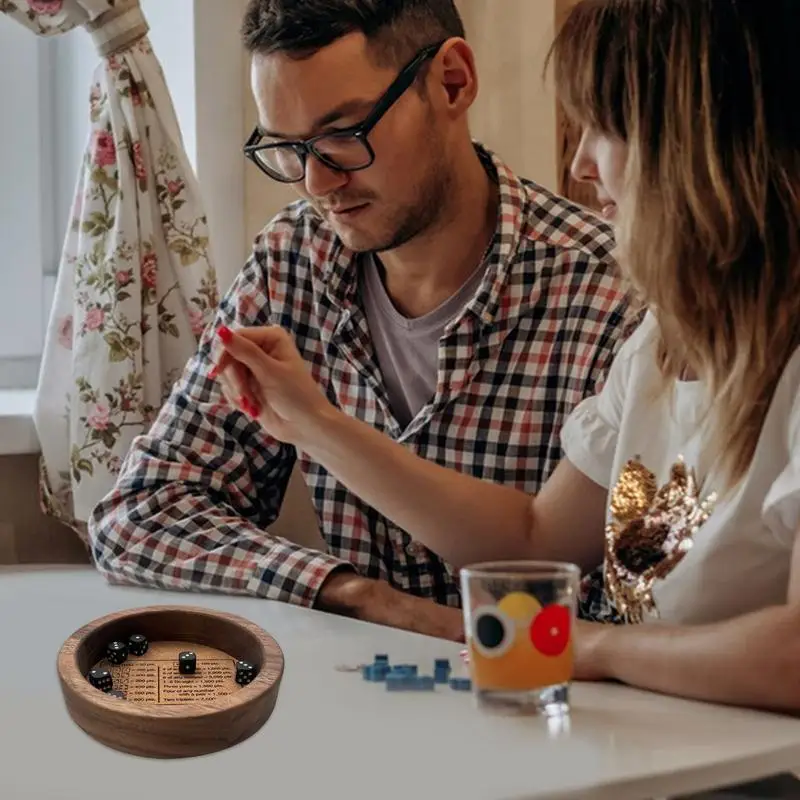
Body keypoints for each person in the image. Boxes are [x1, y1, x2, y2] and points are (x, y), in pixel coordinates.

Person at [207, 0, 800, 715]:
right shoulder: (660, 347)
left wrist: (589, 647)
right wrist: (314, 425)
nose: (580, 165)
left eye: (605, 128)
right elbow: (533, 536)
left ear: (707, 147)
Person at [87, 0, 628, 641]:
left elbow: (602, 585)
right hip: (362, 701)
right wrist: (352, 594)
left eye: (345, 134)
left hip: (563, 712)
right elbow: (141, 512)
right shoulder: (293, 261)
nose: (317, 182)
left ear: (453, 82)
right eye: (290, 149)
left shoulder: (606, 288)